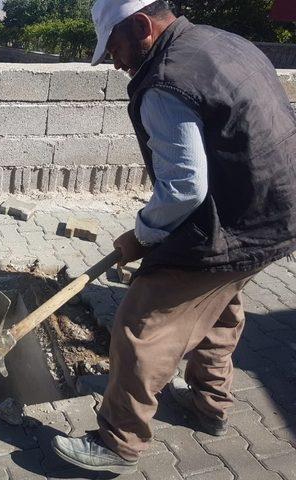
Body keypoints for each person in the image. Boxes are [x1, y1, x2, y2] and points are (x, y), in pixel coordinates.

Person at [51, 0, 296, 474]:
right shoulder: (225, 42)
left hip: (234, 221)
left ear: (143, 26)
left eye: (116, 47)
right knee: (219, 305)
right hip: (278, 210)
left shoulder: (165, 79)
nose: (115, 62)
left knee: (141, 326)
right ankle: (210, 406)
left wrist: (141, 237)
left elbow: (184, 188)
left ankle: (117, 442)